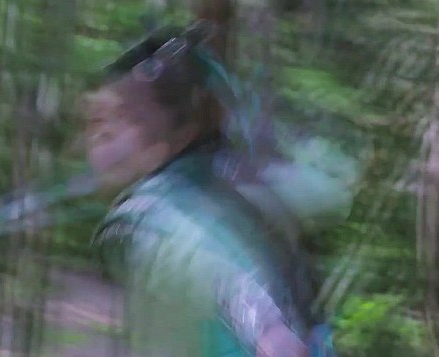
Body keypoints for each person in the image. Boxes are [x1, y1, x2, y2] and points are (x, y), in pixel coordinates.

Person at [83, 23, 354, 357]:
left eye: (115, 123)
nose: (97, 140)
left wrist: (270, 333)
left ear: (173, 135)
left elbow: (217, 273)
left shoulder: (150, 214)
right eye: (94, 122)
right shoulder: (216, 183)